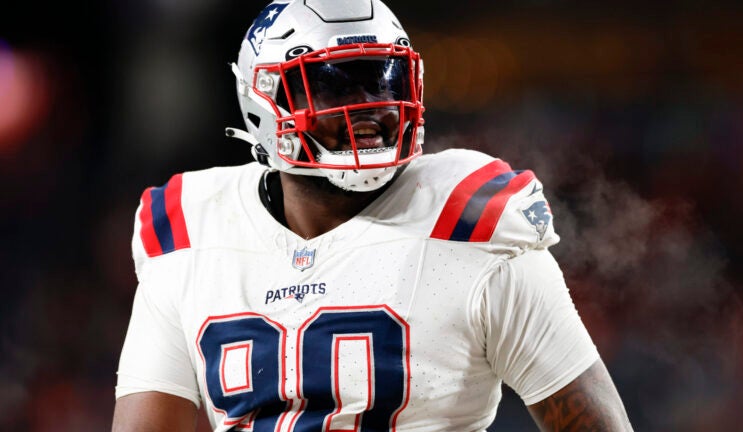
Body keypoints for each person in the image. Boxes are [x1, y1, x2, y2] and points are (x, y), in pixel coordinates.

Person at [112, 0, 634, 430]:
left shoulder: (471, 225)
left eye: (383, 81)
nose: (370, 106)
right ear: (265, 101)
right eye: (337, 85)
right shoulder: (189, 234)